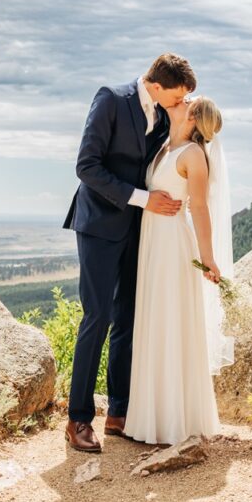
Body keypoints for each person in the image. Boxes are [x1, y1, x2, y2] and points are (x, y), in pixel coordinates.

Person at [62, 53, 196, 453]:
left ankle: (118, 411)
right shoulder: (110, 99)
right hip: (100, 227)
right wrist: (142, 198)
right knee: (97, 316)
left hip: (140, 230)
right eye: (176, 97)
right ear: (156, 85)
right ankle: (78, 418)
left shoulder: (162, 110)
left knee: (128, 317)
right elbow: (86, 166)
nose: (178, 104)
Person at [123, 96, 235, 445]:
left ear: (192, 115)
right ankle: (150, 418)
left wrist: (208, 258)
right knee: (154, 319)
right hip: (153, 241)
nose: (180, 99)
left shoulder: (193, 155)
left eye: (189, 100)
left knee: (171, 321)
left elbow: (199, 208)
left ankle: (175, 421)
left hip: (173, 244)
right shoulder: (165, 147)